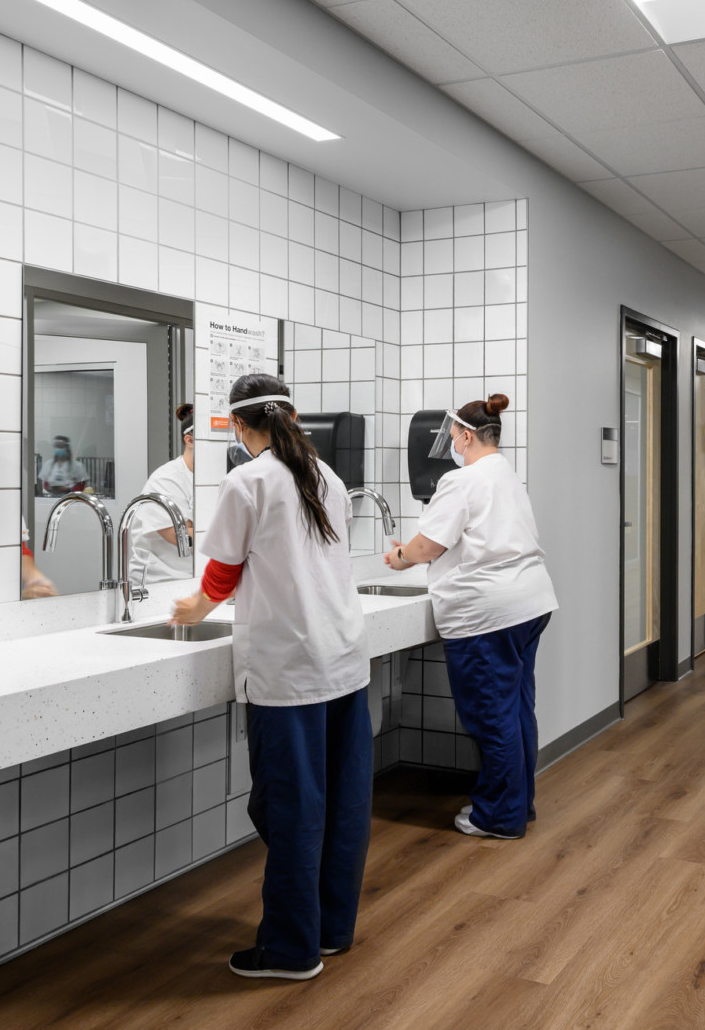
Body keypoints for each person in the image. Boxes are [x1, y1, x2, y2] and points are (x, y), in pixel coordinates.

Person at [170, 373, 370, 982]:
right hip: (342, 660)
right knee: (341, 805)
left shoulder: (248, 479)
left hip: (289, 669)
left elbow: (223, 574)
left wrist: (190, 611)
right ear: (291, 416)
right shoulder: (324, 474)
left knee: (290, 808)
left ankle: (288, 950)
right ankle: (331, 930)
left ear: (237, 424)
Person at [383, 394, 558, 840]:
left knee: (490, 715)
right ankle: (519, 803)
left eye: (454, 436)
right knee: (517, 709)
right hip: (530, 604)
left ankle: (499, 816)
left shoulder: (462, 481)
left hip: (488, 614)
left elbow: (427, 546)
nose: (453, 444)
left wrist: (400, 556)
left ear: (464, 434)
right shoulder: (506, 475)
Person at [127, 403, 197, 586]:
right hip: (160, 581)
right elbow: (179, 536)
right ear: (189, 440)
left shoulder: (213, 479)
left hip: (196, 579)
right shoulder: (166, 479)